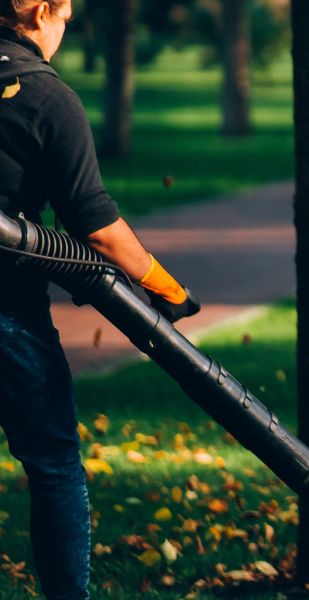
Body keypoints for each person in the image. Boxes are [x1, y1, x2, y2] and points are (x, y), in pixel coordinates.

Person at [0, 1, 201, 598]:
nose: (66, 31)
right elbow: (96, 226)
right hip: (8, 312)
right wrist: (167, 288)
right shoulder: (45, 97)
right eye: (65, 17)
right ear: (42, 13)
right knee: (53, 460)